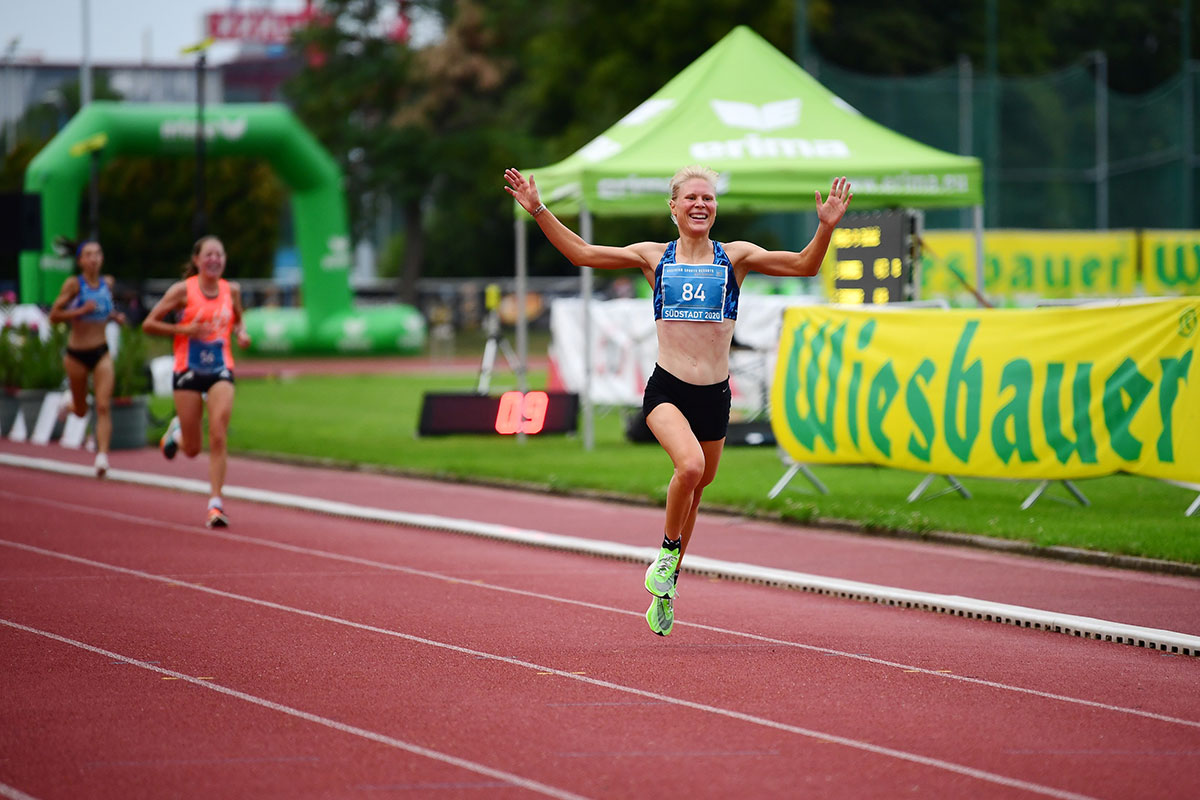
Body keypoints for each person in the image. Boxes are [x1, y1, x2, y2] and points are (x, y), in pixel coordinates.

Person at [503, 165, 852, 636]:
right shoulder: (654, 258)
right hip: (668, 390)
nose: (700, 205)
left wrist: (826, 226)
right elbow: (583, 253)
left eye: (708, 198)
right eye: (690, 198)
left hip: (716, 396)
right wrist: (539, 209)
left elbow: (806, 265)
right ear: (673, 206)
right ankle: (667, 555)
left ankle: (665, 589)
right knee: (687, 469)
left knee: (697, 490)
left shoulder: (737, 257)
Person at [142, 236, 251, 528]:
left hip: (220, 369)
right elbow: (149, 323)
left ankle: (215, 504)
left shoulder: (232, 290)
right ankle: (177, 433)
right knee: (192, 449)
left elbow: (238, 318)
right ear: (197, 260)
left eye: (219, 254)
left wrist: (241, 332)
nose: (214, 259)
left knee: (218, 433)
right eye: (208, 254)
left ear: (224, 259)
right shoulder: (182, 291)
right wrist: (185, 329)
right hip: (188, 370)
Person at [48, 239, 127, 478]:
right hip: (76, 355)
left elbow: (104, 309)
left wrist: (114, 317)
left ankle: (102, 456)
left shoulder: (107, 283)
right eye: (89, 254)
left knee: (103, 405)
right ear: (80, 260)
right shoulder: (74, 284)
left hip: (101, 351)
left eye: (98, 253)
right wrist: (80, 311)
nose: (94, 258)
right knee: (82, 410)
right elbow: (54, 315)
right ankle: (69, 404)